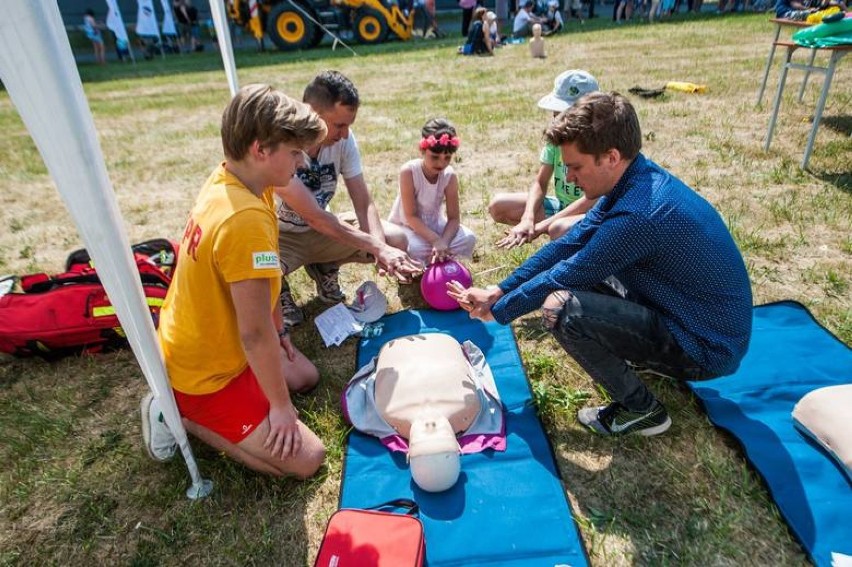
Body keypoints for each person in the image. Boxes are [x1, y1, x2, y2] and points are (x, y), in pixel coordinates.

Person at [449, 92, 753, 437]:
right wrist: (499, 289)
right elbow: (569, 244)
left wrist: (500, 309)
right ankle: (645, 359)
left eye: (576, 167)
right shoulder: (635, 179)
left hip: (704, 348)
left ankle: (644, 411)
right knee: (575, 281)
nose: (571, 177)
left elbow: (572, 271)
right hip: (686, 316)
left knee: (561, 309)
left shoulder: (640, 214)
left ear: (611, 157)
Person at [141, 84, 328, 477]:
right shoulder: (244, 221)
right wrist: (279, 408)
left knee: (306, 377)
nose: (302, 164)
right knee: (306, 459)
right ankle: (177, 412)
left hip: (205, 341)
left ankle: (232, 397)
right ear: (260, 149)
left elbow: (264, 284)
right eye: (294, 153)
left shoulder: (237, 178)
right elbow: (253, 335)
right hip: (204, 373)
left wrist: (279, 330)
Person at [275, 70, 422, 327]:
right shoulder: (281, 147)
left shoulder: (344, 140)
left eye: (349, 126)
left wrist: (381, 249)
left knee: (396, 239)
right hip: (280, 238)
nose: (344, 134)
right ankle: (279, 291)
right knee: (254, 269)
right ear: (310, 112)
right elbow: (314, 216)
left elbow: (363, 201)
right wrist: (378, 249)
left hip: (323, 231)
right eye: (339, 125)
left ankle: (325, 266)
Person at [488, 70, 600, 249]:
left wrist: (540, 227)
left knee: (558, 229)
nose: (556, 117)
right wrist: (528, 218)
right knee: (498, 205)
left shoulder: (597, 145)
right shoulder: (557, 137)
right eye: (556, 112)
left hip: (594, 212)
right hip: (562, 206)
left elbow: (592, 199)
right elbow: (540, 182)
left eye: (562, 113)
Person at [387, 118, 476, 265]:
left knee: (468, 238)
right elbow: (410, 216)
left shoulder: (449, 175)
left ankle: (444, 261)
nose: (441, 163)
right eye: (435, 157)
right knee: (413, 248)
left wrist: (444, 242)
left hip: (434, 226)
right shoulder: (409, 172)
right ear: (422, 149)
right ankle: (425, 269)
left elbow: (454, 219)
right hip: (408, 227)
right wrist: (435, 240)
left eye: (447, 157)